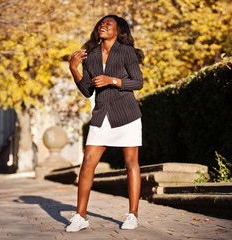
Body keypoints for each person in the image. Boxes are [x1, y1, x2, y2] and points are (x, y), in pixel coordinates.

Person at [67, 15, 145, 232]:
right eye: (101, 24)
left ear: (118, 31)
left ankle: (132, 214)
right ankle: (80, 215)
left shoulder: (126, 52)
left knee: (131, 164)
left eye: (108, 24)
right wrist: (74, 69)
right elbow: (87, 91)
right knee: (87, 164)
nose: (102, 26)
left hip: (127, 115)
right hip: (101, 116)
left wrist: (113, 80)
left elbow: (138, 82)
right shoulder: (90, 55)